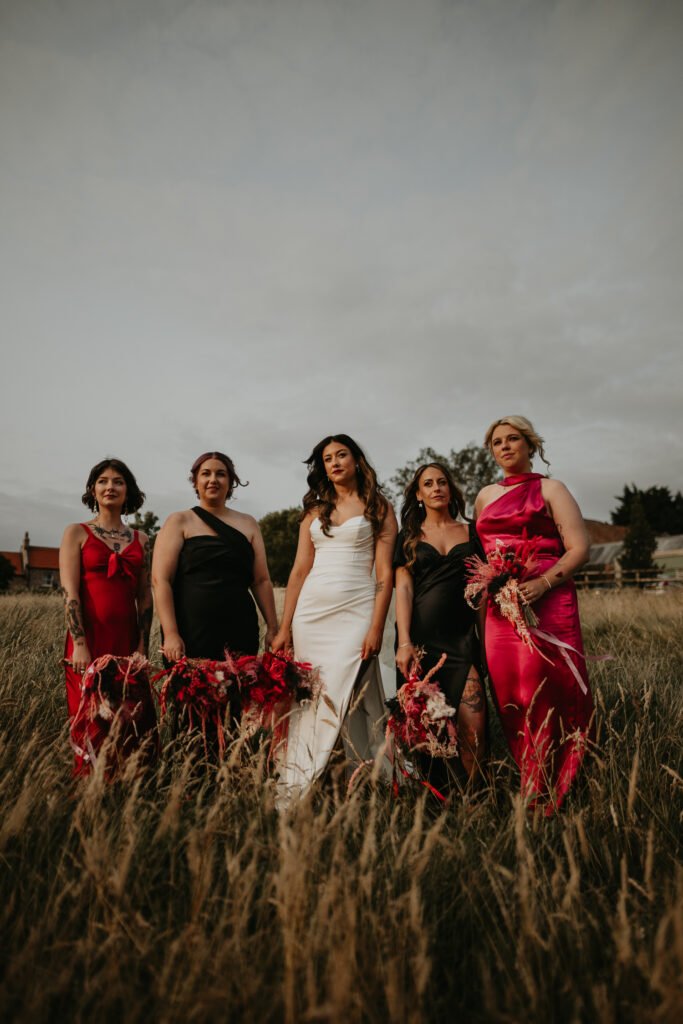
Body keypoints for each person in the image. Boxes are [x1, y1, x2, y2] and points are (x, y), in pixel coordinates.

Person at [474, 416, 594, 813]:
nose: (505, 447)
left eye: (513, 440)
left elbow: (578, 548)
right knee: (511, 694)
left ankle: (560, 788)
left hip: (548, 597)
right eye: (497, 442)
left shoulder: (551, 489)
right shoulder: (484, 497)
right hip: (500, 606)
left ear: (530, 445)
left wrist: (543, 584)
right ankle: (531, 776)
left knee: (548, 690)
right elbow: (481, 555)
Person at [272, 434, 397, 801]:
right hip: (311, 614)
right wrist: (283, 628)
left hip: (358, 609)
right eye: (328, 458)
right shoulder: (315, 510)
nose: (335, 462)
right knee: (313, 698)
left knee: (350, 694)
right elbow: (298, 571)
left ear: (357, 460)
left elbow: (385, 575)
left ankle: (364, 780)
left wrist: (375, 626)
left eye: (341, 455)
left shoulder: (378, 507)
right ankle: (309, 783)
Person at [59, 458, 157, 776]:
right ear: (92, 489)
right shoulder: (76, 533)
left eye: (118, 481)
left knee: (132, 720)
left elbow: (145, 598)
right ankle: (90, 793)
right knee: (89, 719)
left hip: (127, 642)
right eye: (102, 481)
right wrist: (80, 644)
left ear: (128, 491)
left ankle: (131, 792)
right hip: (88, 639)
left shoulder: (142, 540)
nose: (110, 486)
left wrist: (142, 645)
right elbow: (70, 593)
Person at [394, 462, 486, 793]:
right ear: (418, 495)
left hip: (462, 641)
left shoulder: (472, 533)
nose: (436, 488)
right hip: (420, 642)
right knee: (426, 729)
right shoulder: (408, 537)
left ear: (451, 489)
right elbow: (402, 589)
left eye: (442, 482)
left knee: (473, 727)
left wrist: (485, 642)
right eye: (428, 484)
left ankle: (474, 801)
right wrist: (404, 642)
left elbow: (482, 591)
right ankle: (435, 802)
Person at [152, 451, 278, 665]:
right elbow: (161, 580)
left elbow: (261, 580)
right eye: (206, 474)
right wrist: (171, 633)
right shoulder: (179, 521)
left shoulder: (248, 523)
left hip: (240, 629)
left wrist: (273, 628)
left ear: (230, 483)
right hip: (190, 632)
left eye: (220, 474)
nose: (213, 479)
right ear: (195, 482)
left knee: (239, 693)